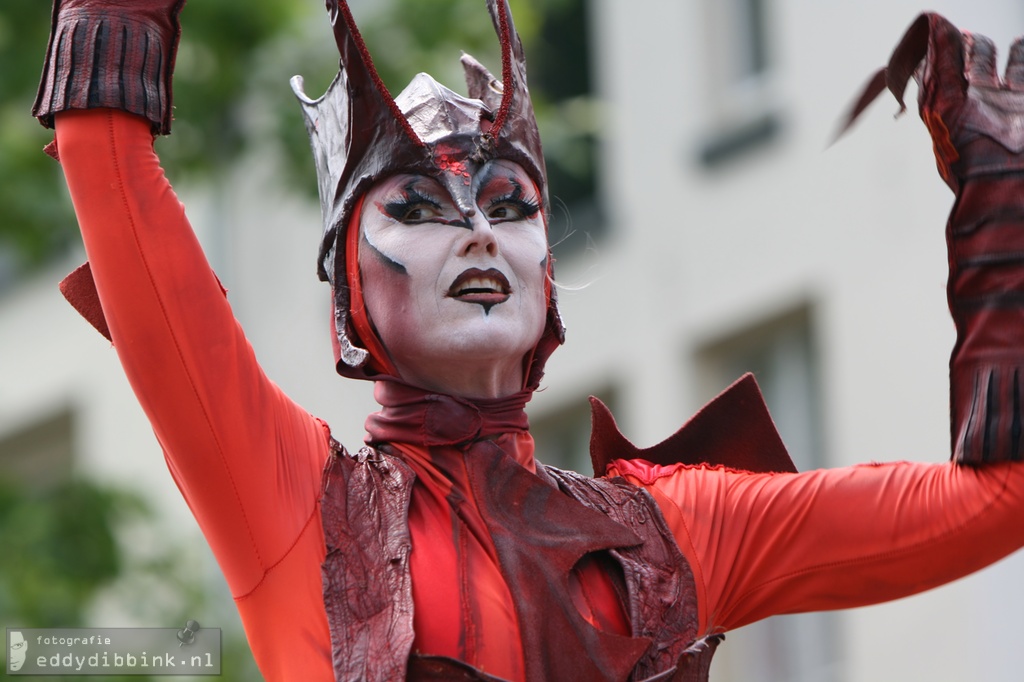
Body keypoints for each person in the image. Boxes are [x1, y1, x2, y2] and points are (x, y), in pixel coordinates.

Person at [31, 1, 1024, 680]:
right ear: (347, 294)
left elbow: (997, 500)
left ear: (547, 266)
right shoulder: (296, 501)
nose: (475, 228)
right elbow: (100, 148)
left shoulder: (667, 534)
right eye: (417, 205)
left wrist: (1001, 220)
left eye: (508, 201)